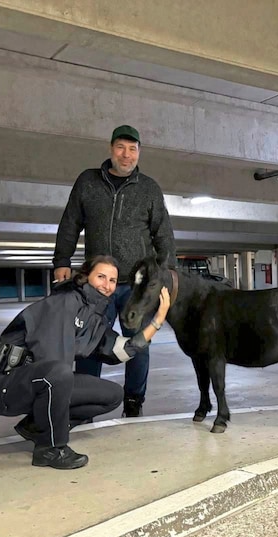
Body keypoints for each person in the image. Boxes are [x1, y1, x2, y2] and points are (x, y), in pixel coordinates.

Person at [0, 256, 170, 469]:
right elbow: (50, 360)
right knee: (59, 372)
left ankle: (36, 427)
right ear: (86, 277)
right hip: (4, 385)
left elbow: (119, 350)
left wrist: (158, 320)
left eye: (112, 280)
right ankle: (50, 449)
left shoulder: (95, 317)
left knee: (111, 395)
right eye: (101, 277)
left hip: (41, 380)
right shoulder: (65, 302)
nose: (106, 285)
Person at [53, 125, 176, 418]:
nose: (127, 154)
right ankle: (83, 403)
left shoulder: (149, 188)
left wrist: (167, 273)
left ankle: (134, 401)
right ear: (111, 149)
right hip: (97, 285)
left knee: (138, 344)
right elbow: (70, 223)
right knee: (88, 344)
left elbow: (163, 234)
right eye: (121, 147)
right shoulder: (88, 182)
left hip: (136, 286)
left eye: (133, 149)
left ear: (139, 153)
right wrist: (61, 261)